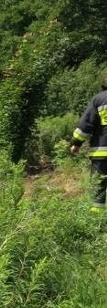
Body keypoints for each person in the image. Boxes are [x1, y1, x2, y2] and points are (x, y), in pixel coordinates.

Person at [70, 77, 107, 212]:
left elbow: (86, 124)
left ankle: (96, 220)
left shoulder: (99, 99)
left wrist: (76, 143)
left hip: (101, 154)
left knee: (98, 186)